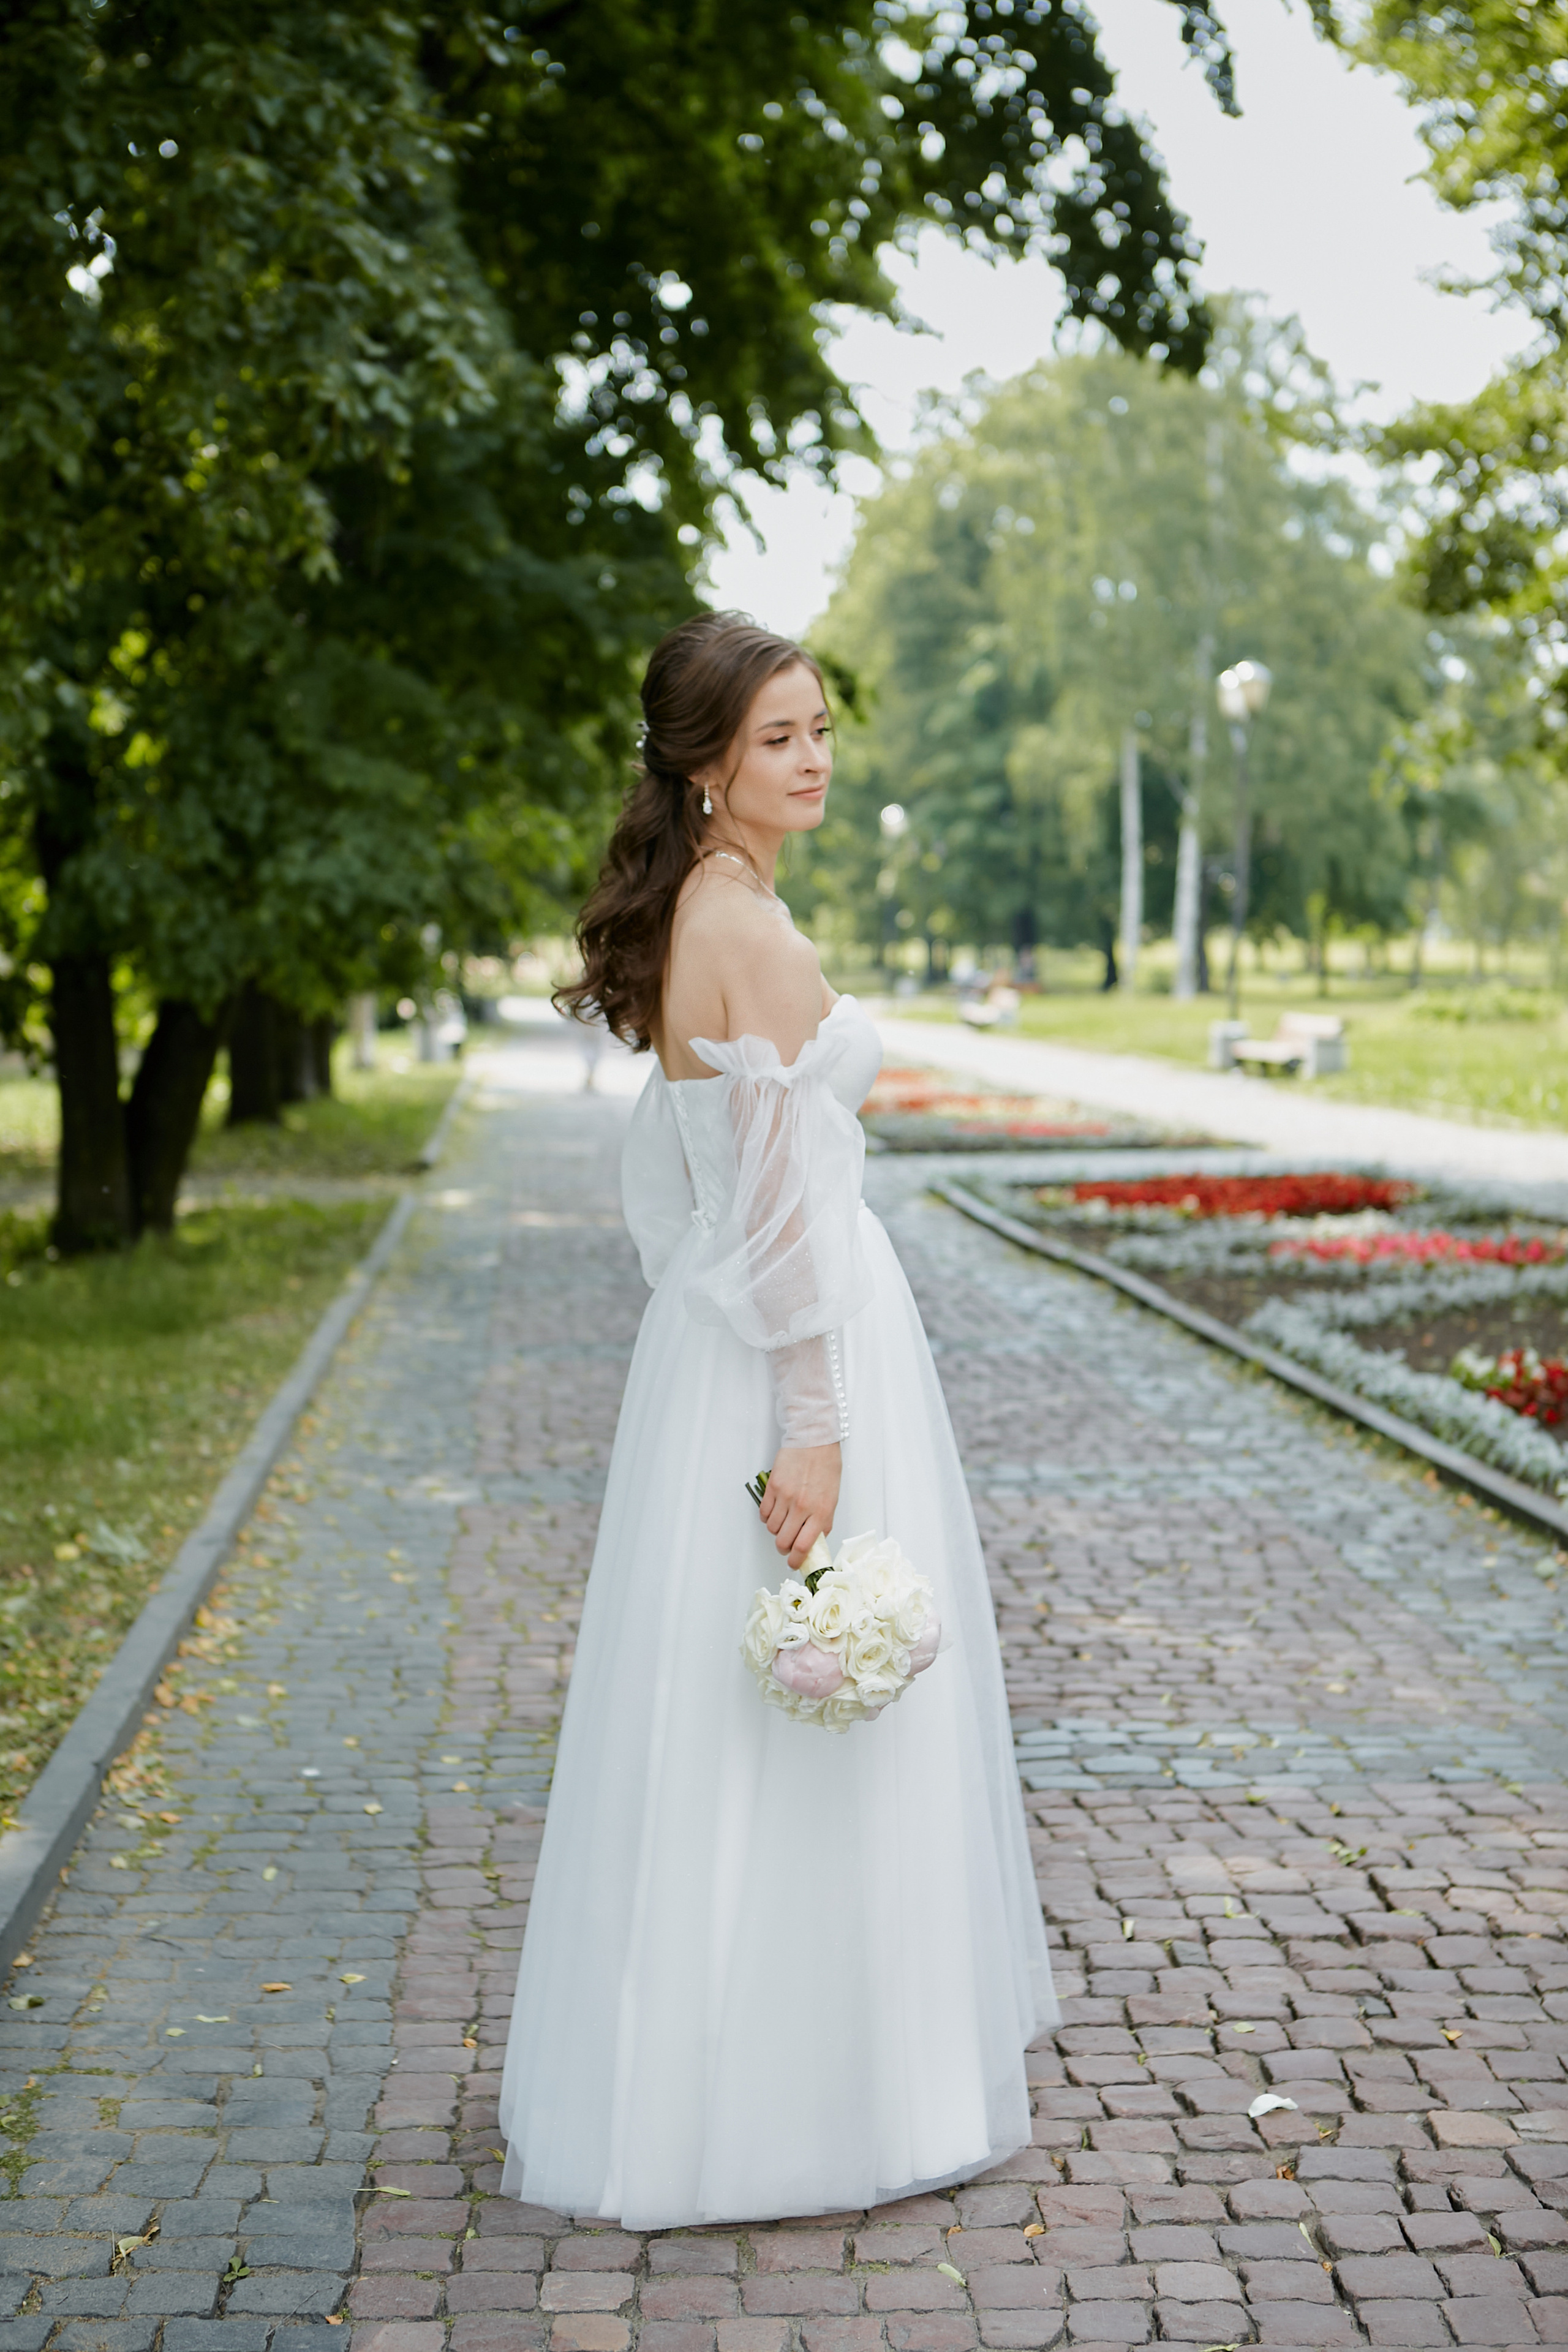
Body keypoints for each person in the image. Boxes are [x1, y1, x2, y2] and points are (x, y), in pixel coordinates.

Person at [496, 611, 1055, 2228]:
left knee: (730, 1714)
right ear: (704, 768)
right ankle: (815, 2102)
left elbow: (695, 1200)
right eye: (783, 741)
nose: (816, 761)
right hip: (795, 1359)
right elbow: (784, 1211)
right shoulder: (755, 936)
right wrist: (810, 1426)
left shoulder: (704, 910)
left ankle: (731, 2081)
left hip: (719, 1353)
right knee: (802, 1705)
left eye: (820, 732)